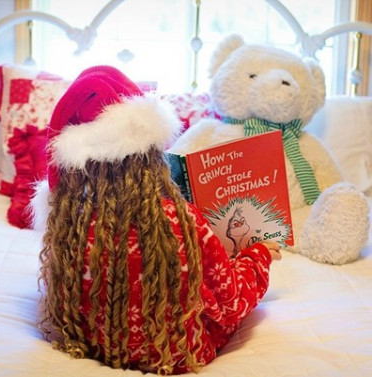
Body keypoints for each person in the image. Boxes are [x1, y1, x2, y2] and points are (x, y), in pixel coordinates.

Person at [33, 65, 282, 375]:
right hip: (174, 354)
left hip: (97, 345)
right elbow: (229, 303)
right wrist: (256, 258)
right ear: (150, 156)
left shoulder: (71, 224)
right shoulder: (177, 221)